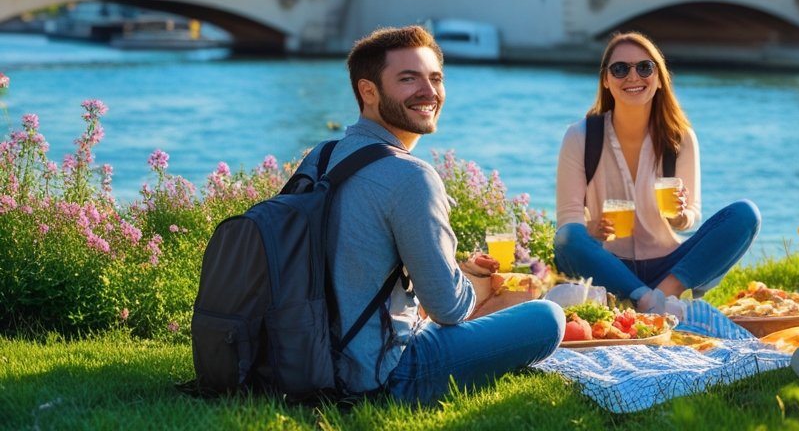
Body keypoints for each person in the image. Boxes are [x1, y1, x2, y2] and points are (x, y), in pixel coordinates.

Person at [295, 25, 563, 404]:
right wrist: (475, 286)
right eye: (408, 79)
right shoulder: (411, 176)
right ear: (368, 91)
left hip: (308, 358)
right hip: (386, 374)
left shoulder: (321, 156)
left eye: (435, 78)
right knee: (547, 318)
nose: (429, 92)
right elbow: (449, 310)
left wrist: (452, 270)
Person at [553, 31, 760, 316]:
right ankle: (648, 300)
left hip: (668, 266)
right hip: (608, 264)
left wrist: (680, 213)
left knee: (745, 214)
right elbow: (569, 220)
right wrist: (591, 229)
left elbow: (689, 219)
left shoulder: (681, 138)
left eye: (644, 67)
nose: (633, 76)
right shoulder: (580, 136)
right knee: (568, 238)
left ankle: (660, 295)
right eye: (620, 69)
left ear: (659, 78)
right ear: (606, 80)